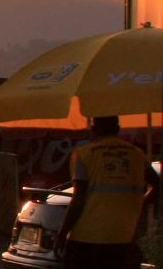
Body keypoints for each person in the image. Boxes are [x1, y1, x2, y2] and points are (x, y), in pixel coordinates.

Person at [55, 115, 160, 269]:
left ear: (94, 129)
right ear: (118, 129)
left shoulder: (83, 154)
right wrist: (140, 205)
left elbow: (79, 198)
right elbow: (158, 185)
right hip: (124, 237)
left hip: (86, 238)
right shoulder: (137, 154)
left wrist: (62, 233)